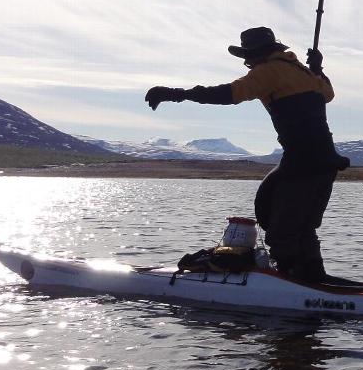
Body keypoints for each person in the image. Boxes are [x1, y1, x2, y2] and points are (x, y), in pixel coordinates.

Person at [145, 27, 349, 283]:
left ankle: (292, 283)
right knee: (291, 219)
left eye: (248, 56)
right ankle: (313, 278)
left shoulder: (268, 71)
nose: (246, 62)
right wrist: (318, 69)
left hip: (304, 163)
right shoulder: (301, 70)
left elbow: (228, 94)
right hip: (323, 161)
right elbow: (327, 94)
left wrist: (178, 94)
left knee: (281, 231)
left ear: (260, 54)